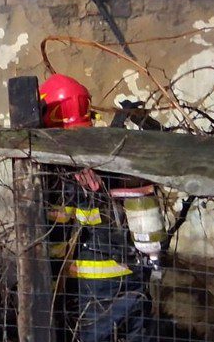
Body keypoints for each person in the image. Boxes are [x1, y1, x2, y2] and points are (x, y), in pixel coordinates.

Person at [40, 74, 164, 342]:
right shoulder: (111, 150)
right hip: (134, 275)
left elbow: (56, 236)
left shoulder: (64, 165)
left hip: (92, 285)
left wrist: (48, 283)